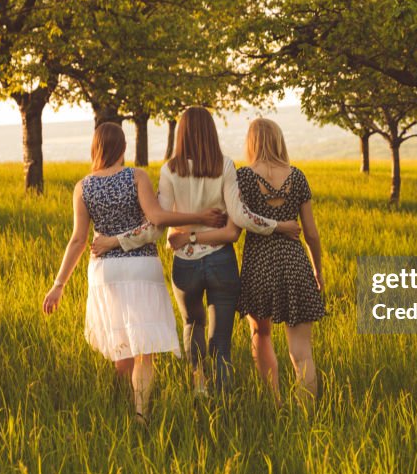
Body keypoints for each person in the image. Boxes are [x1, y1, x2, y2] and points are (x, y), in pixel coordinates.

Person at [92, 107, 301, 394]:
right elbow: (239, 217)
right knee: (221, 341)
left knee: (192, 325)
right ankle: (224, 402)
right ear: (211, 132)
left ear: (181, 133)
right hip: (221, 260)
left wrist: (117, 240)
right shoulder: (225, 166)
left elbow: (155, 224)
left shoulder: (170, 170)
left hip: (186, 264)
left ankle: (199, 387)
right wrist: (279, 225)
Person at [42, 123, 225, 422]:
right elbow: (156, 221)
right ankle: (141, 413)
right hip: (142, 267)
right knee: (145, 348)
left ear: (95, 148)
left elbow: (78, 239)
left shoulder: (83, 186)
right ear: (123, 148)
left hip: (106, 270)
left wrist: (58, 283)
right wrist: (201, 217)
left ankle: (117, 406)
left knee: (121, 344)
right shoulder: (136, 176)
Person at [172, 117, 324, 411]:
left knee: (261, 334)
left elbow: (233, 230)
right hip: (295, 264)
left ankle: (275, 402)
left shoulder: (243, 178)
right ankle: (306, 413)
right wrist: (317, 270)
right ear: (279, 141)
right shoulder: (299, 177)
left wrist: (190, 236)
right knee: (302, 350)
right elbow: (312, 234)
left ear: (251, 143)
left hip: (259, 267)